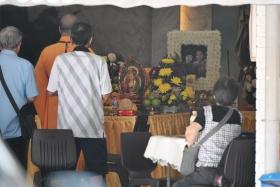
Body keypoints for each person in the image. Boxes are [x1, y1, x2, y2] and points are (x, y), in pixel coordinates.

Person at [47, 22, 112, 176]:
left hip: (67, 127)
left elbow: (50, 91)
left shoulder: (60, 60)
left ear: (71, 39)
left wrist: (67, 93)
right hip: (92, 127)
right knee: (97, 175)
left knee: (64, 174)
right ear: (91, 40)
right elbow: (106, 94)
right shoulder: (99, 61)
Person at [173, 77, 241, 187]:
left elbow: (190, 135)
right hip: (228, 172)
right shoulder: (238, 115)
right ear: (234, 97)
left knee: (177, 185)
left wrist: (193, 144)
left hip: (206, 172)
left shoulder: (206, 111)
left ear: (214, 95)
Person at [0, 26, 38, 169]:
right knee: (18, 171)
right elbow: (32, 97)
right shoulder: (25, 66)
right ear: (19, 45)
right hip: (17, 131)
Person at [34, 14, 78, 129]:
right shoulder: (88, 53)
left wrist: (44, 115)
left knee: (57, 147)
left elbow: (39, 85)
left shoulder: (47, 52)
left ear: (59, 29)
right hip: (79, 112)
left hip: (54, 110)